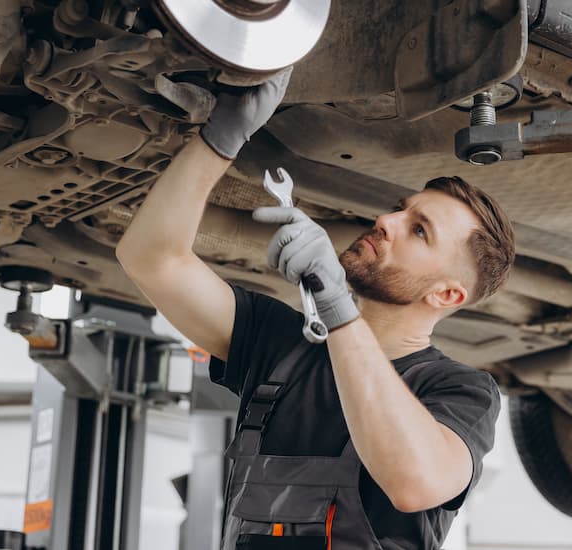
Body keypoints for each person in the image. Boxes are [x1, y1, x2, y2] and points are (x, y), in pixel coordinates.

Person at [116, 68, 516, 550]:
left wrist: (336, 305)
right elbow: (150, 258)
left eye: (418, 230)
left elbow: (416, 483)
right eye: (400, 209)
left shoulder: (460, 391)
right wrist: (220, 138)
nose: (386, 220)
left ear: (447, 295)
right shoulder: (280, 345)